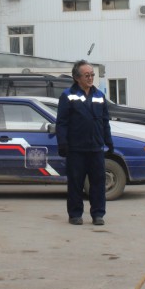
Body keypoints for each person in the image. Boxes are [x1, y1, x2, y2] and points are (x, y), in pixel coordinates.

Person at [55, 60, 113, 226]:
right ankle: (75, 214)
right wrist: (63, 144)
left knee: (98, 183)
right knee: (75, 183)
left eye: (92, 75)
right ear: (76, 77)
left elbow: (105, 122)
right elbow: (62, 122)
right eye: (86, 75)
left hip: (96, 148)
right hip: (76, 149)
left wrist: (109, 142)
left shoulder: (99, 96)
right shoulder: (67, 95)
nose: (90, 78)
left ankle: (98, 214)